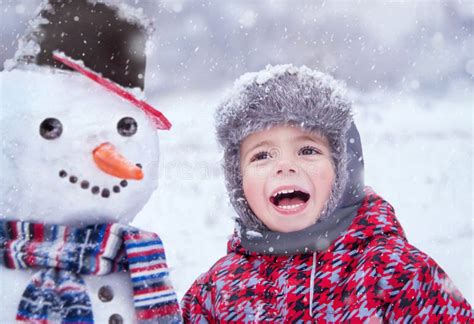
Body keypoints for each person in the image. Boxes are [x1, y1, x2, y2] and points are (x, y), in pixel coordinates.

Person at [180, 64, 473, 322]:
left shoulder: (394, 272)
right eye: (261, 156)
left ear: (344, 172)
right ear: (237, 181)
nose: (285, 166)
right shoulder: (217, 289)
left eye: (308, 150)